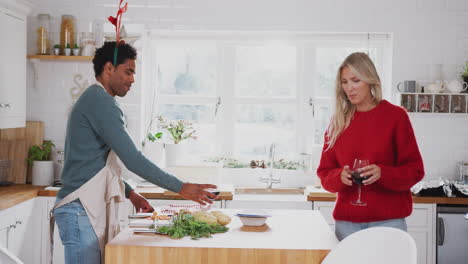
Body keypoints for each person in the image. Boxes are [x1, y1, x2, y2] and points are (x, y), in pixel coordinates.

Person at [52, 41, 218, 264]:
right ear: (109, 68)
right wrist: (182, 187)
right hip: (80, 209)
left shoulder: (97, 100)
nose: (132, 80)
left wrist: (131, 193)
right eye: (128, 72)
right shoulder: (100, 102)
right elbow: (133, 160)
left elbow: (101, 164)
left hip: (83, 207)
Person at [316, 52, 424, 241]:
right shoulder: (338, 122)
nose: (349, 88)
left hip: (389, 224)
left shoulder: (396, 117)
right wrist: (339, 176)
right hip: (347, 225)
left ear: (370, 81)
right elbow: (325, 175)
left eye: (356, 80)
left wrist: (383, 173)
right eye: (344, 82)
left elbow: (415, 170)